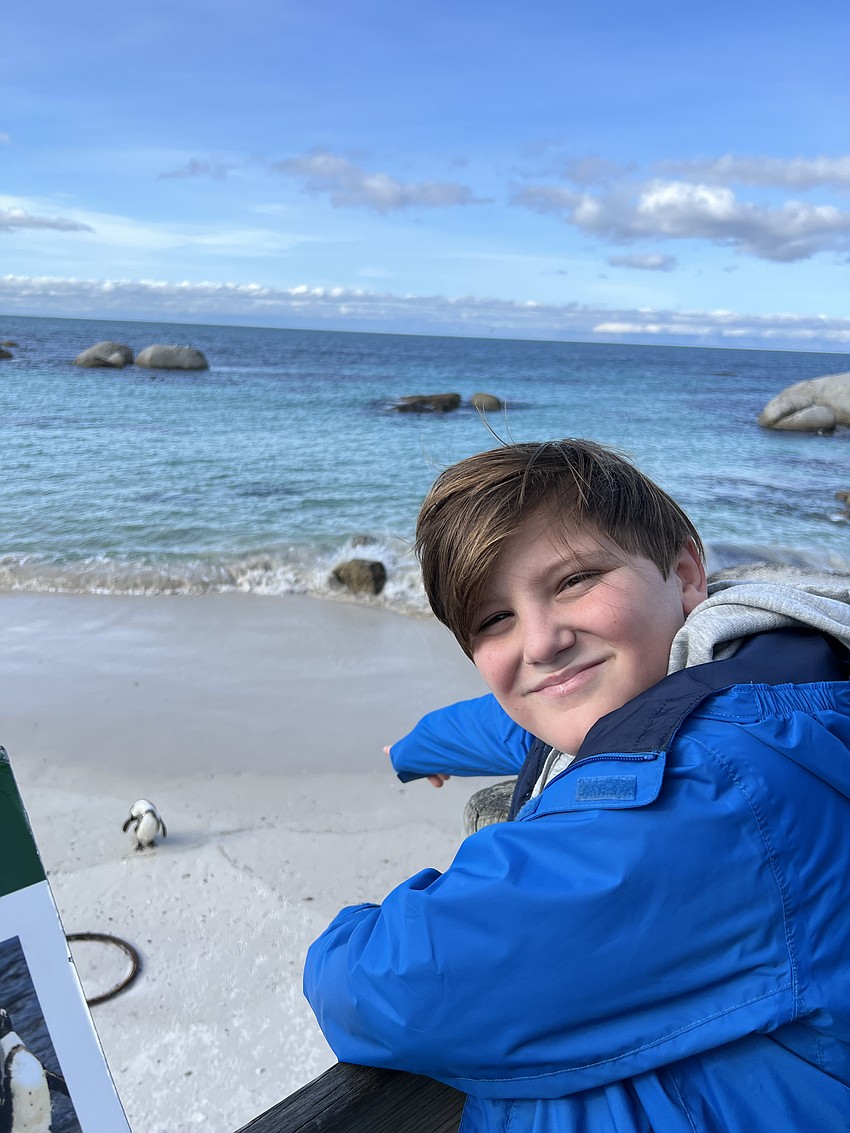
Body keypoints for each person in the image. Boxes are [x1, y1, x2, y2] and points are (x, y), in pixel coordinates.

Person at [304, 438, 850, 1132]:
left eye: (572, 581)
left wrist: (339, 934)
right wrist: (412, 750)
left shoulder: (716, 790)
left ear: (684, 572)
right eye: (493, 619)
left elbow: (396, 981)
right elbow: (517, 727)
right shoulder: (763, 674)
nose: (539, 643)